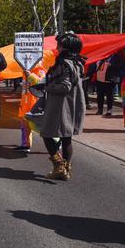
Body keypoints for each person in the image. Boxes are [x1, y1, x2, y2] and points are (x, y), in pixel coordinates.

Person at [39, 33, 86, 180]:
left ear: (66, 47)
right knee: (66, 138)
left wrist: (47, 87)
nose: (57, 48)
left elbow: (64, 86)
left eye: (59, 45)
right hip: (71, 104)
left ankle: (59, 166)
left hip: (61, 105)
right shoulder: (77, 62)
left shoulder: (65, 63)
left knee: (46, 133)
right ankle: (66, 169)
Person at [15, 64, 46, 152]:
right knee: (24, 125)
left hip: (35, 104)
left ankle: (57, 145)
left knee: (43, 127)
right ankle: (25, 145)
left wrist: (31, 75)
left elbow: (41, 84)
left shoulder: (40, 69)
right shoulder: (25, 69)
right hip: (25, 104)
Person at [95, 52, 125, 116]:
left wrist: (111, 65)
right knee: (100, 95)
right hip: (100, 79)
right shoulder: (102, 55)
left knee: (109, 95)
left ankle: (109, 110)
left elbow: (121, 66)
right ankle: (100, 109)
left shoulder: (117, 56)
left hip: (110, 79)